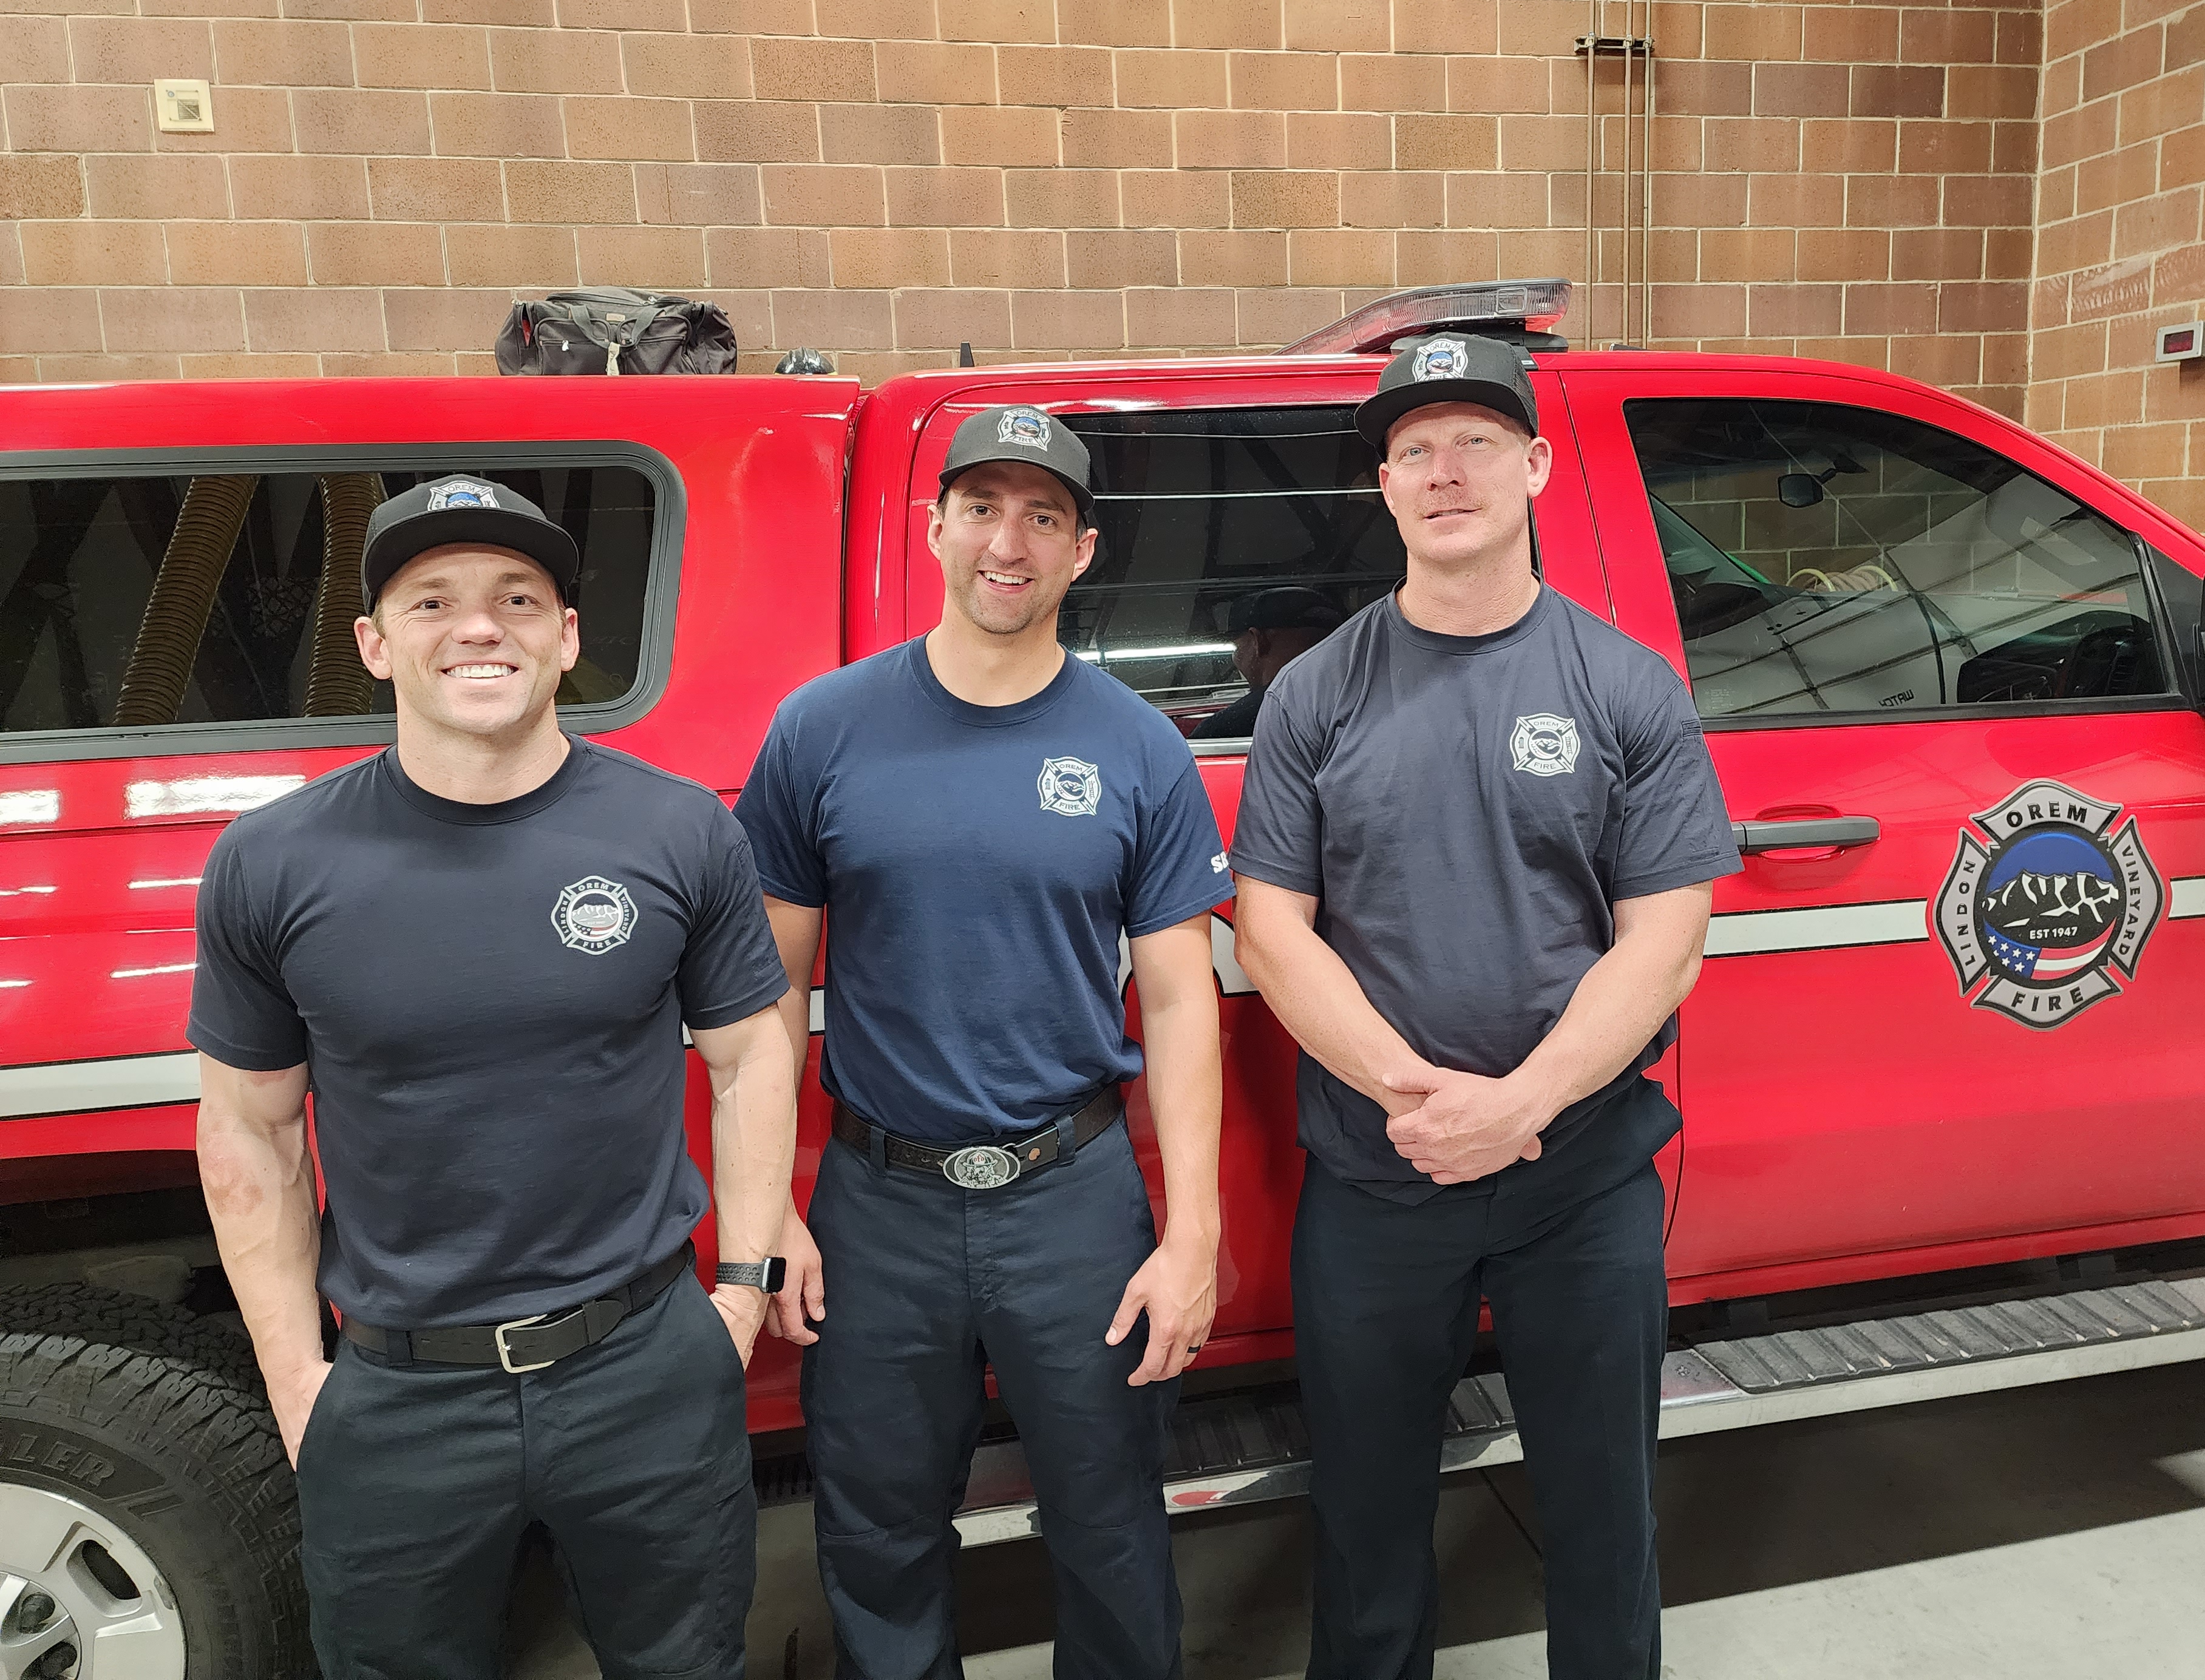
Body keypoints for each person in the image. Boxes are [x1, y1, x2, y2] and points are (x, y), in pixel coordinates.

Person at [191, 474, 800, 1680]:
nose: (481, 627)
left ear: (567, 637)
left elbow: (751, 1056)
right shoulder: (271, 864)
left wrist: (742, 1287)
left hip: (645, 1366)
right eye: (433, 602)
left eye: (519, 598)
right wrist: (297, 1380)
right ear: (373, 644)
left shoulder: (677, 833)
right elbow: (250, 1131)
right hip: (397, 1392)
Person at [1229, 334, 1742, 1680]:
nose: (1441, 470)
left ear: (1532, 465)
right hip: (1378, 1178)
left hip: (1577, 1180)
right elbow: (1272, 934)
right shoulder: (1313, 694)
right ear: (1383, 489)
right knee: (1365, 1522)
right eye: (1410, 450)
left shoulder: (1623, 685)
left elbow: (1664, 937)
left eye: (1469, 441)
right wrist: (1422, 1103)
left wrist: (1519, 1105)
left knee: (1600, 1519)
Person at [736, 405, 1232, 1680]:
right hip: (876, 1204)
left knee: (1110, 1524)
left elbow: (1179, 999)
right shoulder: (821, 730)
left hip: (1071, 1201)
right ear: (934, 527)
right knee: (877, 1528)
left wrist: (1190, 1235)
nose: (1006, 542)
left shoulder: (1135, 745)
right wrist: (770, 1215)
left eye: (1043, 516)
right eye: (982, 509)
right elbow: (763, 1001)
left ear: (1082, 550)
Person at [1192, 584, 1345, 741]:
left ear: (1259, 641)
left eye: (1237, 646)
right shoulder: (1356, 701)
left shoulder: (1225, 728)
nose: (1236, 657)